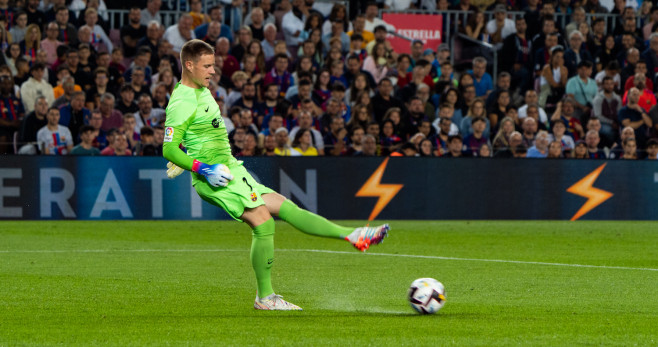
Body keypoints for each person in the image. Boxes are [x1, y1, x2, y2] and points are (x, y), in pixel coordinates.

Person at [162, 40, 390, 310]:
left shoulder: (203, 90)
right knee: (263, 222)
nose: (213, 71)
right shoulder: (181, 101)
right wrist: (201, 167)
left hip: (230, 168)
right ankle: (266, 298)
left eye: (213, 65)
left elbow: (193, 137)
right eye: (207, 66)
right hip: (215, 177)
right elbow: (168, 148)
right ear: (189, 65)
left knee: (285, 206)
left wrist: (191, 155)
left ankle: (353, 235)